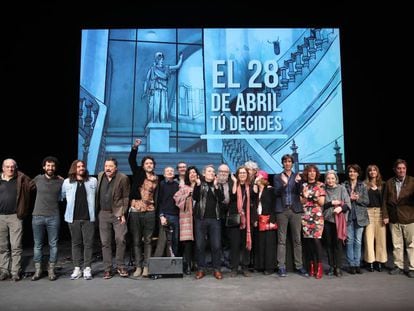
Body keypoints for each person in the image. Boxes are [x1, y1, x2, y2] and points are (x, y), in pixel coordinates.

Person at [61, 160, 97, 280]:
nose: (81, 168)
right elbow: (62, 196)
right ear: (74, 168)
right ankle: (77, 268)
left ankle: (87, 268)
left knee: (88, 244)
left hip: (88, 218)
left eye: (82, 166)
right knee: (76, 244)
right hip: (73, 218)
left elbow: (96, 196)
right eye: (78, 166)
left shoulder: (92, 181)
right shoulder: (67, 182)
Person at [273, 154, 308, 277]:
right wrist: (285, 184)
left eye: (289, 161)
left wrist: (298, 182)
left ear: (292, 163)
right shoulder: (277, 177)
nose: (287, 163)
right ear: (282, 163)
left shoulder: (297, 176)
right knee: (281, 240)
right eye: (285, 161)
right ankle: (281, 266)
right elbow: (276, 192)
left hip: (295, 210)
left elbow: (299, 192)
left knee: (297, 239)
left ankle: (299, 266)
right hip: (282, 210)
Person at [128, 138, 158, 278]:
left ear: (154, 165)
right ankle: (138, 266)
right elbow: (131, 160)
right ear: (143, 165)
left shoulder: (157, 179)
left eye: (151, 163)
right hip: (135, 210)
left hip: (150, 211)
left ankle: (146, 266)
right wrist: (135, 147)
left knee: (148, 240)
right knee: (136, 240)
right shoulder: (138, 172)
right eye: (147, 163)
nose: (149, 165)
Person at [96, 157, 130, 279]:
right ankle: (107, 269)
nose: (108, 168)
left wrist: (123, 213)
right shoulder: (100, 176)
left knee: (120, 239)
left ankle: (120, 266)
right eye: (106, 166)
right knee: (105, 242)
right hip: (103, 213)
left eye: (110, 166)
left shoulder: (123, 178)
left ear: (116, 168)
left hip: (118, 214)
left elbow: (126, 197)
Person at [30, 156, 63, 281]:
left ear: (55, 168)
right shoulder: (37, 179)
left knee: (53, 244)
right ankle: (38, 270)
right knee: (37, 245)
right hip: (37, 216)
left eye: (53, 166)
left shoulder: (60, 181)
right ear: (44, 167)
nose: (50, 168)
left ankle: (51, 270)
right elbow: (25, 187)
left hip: (53, 217)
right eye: (48, 165)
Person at [0, 159, 31, 281]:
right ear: (3, 168)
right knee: (2, 247)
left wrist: (22, 174)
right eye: (7, 167)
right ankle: (4, 271)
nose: (10, 169)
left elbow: (32, 185)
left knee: (16, 246)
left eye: (12, 167)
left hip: (15, 217)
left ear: (16, 168)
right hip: (0, 217)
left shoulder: (20, 180)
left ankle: (15, 272)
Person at [382, 159, 414, 278]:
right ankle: (398, 266)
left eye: (403, 168)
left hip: (409, 217)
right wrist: (385, 215)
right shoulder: (389, 182)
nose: (401, 170)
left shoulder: (412, 181)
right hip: (394, 218)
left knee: (411, 245)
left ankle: (412, 267)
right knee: (397, 244)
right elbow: (384, 200)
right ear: (395, 170)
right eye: (399, 168)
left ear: (406, 169)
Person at [192, 164, 224, 280]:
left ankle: (217, 269)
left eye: (213, 171)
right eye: (209, 171)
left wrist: (216, 187)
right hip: (201, 219)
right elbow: (195, 197)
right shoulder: (200, 184)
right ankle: (201, 269)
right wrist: (197, 186)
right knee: (200, 245)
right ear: (204, 173)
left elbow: (221, 199)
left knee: (216, 245)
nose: (212, 173)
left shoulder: (217, 185)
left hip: (215, 219)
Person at [227, 166, 255, 277]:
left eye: (244, 173)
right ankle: (234, 268)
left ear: (247, 175)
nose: (242, 175)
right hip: (235, 220)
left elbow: (254, 201)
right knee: (234, 245)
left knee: (246, 245)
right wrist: (234, 182)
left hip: (247, 221)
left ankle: (245, 267)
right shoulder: (234, 185)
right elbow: (232, 196)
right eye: (240, 173)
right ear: (237, 175)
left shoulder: (251, 187)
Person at [323, 170, 351, 277]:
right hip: (327, 221)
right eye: (328, 178)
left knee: (338, 245)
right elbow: (321, 206)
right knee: (329, 245)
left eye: (332, 178)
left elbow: (348, 204)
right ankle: (331, 266)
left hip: (339, 222)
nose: (330, 180)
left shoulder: (341, 188)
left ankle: (338, 267)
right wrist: (331, 203)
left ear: (336, 179)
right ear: (325, 180)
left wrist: (340, 208)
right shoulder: (323, 190)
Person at [299, 164, 326, 279]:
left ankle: (319, 267)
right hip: (305, 216)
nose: (311, 173)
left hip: (317, 216)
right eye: (309, 171)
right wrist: (306, 196)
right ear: (306, 173)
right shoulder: (303, 185)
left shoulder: (321, 185)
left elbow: (321, 202)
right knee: (309, 243)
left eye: (314, 171)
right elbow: (302, 201)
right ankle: (311, 266)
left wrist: (312, 196)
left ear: (316, 173)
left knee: (316, 241)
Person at [342, 164, 369, 274]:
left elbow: (367, 201)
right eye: (350, 172)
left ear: (358, 173)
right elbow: (341, 200)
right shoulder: (344, 185)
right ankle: (351, 264)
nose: (352, 173)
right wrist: (349, 198)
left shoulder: (362, 185)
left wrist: (357, 199)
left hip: (360, 217)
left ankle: (357, 264)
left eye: (354, 171)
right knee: (349, 241)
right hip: (348, 216)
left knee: (358, 241)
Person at [143, 51, 183, 124]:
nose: (161, 61)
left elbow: (177, 66)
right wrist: (145, 91)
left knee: (163, 109)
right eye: (160, 59)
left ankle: (163, 122)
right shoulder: (152, 69)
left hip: (163, 91)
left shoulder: (166, 68)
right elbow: (147, 80)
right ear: (157, 60)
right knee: (155, 108)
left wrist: (181, 58)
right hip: (155, 92)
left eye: (162, 59)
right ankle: (154, 122)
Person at [174, 165, 200, 275]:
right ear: (188, 176)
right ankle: (188, 264)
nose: (192, 174)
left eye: (194, 172)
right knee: (188, 242)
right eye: (190, 173)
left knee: (198, 242)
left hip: (199, 217)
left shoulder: (201, 186)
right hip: (187, 218)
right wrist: (187, 196)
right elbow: (176, 198)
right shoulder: (184, 188)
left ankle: (197, 263)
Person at [364, 164, 387, 272]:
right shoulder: (364, 185)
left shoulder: (383, 184)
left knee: (381, 239)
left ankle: (380, 261)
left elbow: (385, 202)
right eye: (370, 170)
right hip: (368, 213)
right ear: (368, 173)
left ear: (377, 172)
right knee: (369, 239)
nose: (372, 172)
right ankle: (370, 262)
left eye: (374, 170)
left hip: (380, 213)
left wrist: (386, 215)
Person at [253, 170, 277, 275]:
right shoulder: (256, 191)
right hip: (259, 219)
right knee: (260, 242)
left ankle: (270, 267)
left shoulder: (270, 190)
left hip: (268, 218)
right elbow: (254, 206)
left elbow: (274, 205)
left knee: (269, 244)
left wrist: (272, 219)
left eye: (258, 177)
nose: (257, 179)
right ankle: (260, 265)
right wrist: (254, 219)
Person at [158, 166, 180, 257]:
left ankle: (174, 261)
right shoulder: (161, 184)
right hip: (165, 215)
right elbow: (159, 201)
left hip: (176, 216)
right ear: (164, 174)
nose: (170, 172)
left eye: (172, 171)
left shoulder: (177, 185)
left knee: (175, 239)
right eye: (167, 171)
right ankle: (164, 262)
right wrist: (161, 215)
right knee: (163, 241)